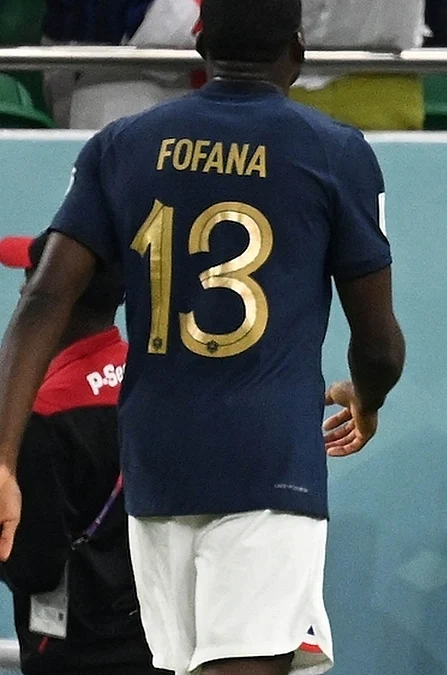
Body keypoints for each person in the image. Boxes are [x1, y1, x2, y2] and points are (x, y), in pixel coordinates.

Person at [0, 1, 408, 674]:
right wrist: (368, 396)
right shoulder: (338, 152)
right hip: (269, 459)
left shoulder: (120, 144)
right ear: (298, 51)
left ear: (199, 45)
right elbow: (380, 343)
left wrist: (5, 458)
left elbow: (44, 296)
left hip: (157, 466)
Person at [0, 233, 166, 675]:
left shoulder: (40, 413)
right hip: (162, 642)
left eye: (33, 280)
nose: (22, 291)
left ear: (60, 299)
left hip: (76, 654)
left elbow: (34, 568)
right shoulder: (157, 384)